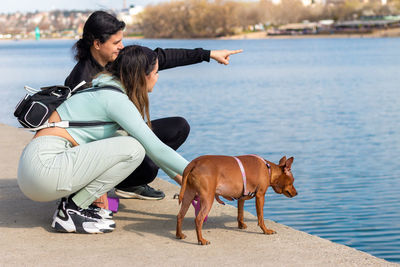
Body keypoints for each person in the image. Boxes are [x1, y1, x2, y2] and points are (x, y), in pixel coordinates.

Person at [64, 11, 242, 200]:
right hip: (96, 153)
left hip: (121, 138)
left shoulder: (117, 60)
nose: (121, 47)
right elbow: (76, 141)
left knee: (178, 127)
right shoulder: (81, 81)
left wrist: (208, 54)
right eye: (116, 43)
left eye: (121, 41)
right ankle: (116, 183)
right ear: (97, 44)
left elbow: (159, 58)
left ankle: (130, 185)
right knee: (148, 167)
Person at [17, 45, 190, 234]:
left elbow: (152, 148)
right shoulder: (114, 99)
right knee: (134, 149)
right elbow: (155, 148)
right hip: (44, 171)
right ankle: (72, 210)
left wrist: (185, 181)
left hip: (35, 169)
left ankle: (74, 204)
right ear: (142, 76)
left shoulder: (101, 87)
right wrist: (203, 178)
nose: (157, 77)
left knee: (128, 140)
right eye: (156, 72)